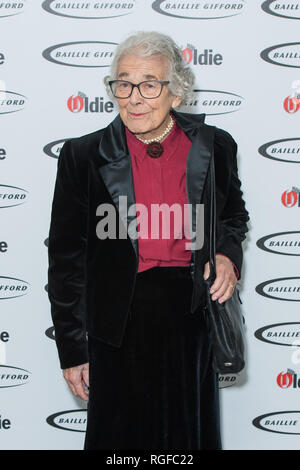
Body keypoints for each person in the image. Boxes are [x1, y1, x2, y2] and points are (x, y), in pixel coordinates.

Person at [47, 31, 249, 450]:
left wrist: (227, 255)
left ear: (176, 92)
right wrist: (72, 349)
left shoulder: (214, 147)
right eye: (123, 83)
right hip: (116, 324)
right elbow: (66, 260)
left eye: (149, 84)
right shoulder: (83, 156)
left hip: (190, 317)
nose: (134, 97)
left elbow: (233, 216)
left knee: (184, 444)